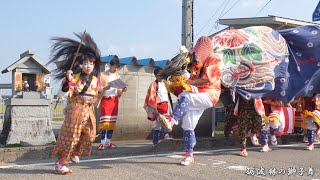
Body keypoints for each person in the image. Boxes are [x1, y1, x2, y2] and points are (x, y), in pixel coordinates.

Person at [159, 36, 222, 166]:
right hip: (198, 93)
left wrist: (187, 82)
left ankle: (172, 120)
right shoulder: (193, 63)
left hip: (210, 94)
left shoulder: (213, 58)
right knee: (188, 125)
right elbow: (187, 80)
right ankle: (189, 154)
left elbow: (206, 79)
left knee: (185, 96)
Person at [47, 32, 103, 174]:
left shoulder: (96, 80)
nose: (88, 66)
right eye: (85, 63)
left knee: (91, 135)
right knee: (71, 137)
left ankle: (75, 153)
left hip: (89, 111)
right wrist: (67, 82)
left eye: (91, 63)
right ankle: (61, 163)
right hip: (76, 109)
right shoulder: (74, 78)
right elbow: (62, 94)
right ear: (80, 64)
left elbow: (97, 94)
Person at [96, 58, 127, 150]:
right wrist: (106, 87)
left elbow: (119, 92)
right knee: (104, 122)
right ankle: (102, 142)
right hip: (105, 100)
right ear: (110, 66)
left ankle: (108, 142)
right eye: (114, 67)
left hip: (114, 101)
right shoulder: (102, 75)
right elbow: (97, 89)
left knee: (112, 122)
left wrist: (123, 90)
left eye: (117, 68)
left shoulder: (117, 76)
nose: (116, 69)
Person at [144, 67, 173, 146]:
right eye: (159, 75)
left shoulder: (165, 83)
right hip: (158, 106)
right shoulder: (154, 84)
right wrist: (155, 109)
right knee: (164, 121)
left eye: (162, 75)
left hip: (166, 106)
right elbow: (151, 97)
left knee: (157, 125)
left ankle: (155, 142)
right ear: (156, 76)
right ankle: (166, 136)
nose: (161, 77)